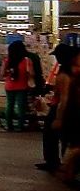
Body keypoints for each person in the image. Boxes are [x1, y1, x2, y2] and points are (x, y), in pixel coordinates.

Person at [39, 44, 76, 172]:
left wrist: (59, 118)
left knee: (51, 135)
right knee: (66, 137)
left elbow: (63, 98)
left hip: (60, 108)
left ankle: (56, 163)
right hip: (71, 108)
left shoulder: (64, 74)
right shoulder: (73, 71)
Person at [53, 47, 80, 182]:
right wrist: (59, 118)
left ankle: (68, 170)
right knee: (74, 145)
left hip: (71, 112)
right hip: (72, 112)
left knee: (71, 144)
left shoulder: (65, 74)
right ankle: (66, 169)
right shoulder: (67, 75)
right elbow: (64, 99)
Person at [2, 40, 32, 132]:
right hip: (22, 87)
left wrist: (9, 73)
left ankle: (9, 125)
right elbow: (31, 74)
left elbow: (2, 73)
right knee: (21, 107)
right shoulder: (27, 61)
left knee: (9, 105)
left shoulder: (7, 60)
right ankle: (20, 125)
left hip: (9, 86)